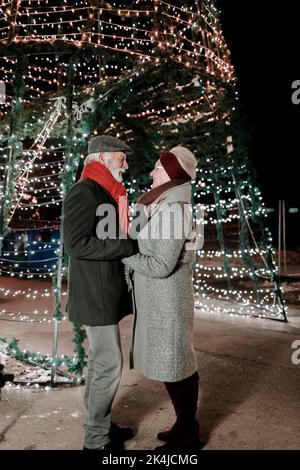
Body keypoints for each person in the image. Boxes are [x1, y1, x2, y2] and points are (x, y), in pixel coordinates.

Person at [122, 146, 200, 450]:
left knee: (178, 365)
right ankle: (184, 425)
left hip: (168, 299)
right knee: (174, 365)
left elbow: (162, 264)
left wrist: (124, 257)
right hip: (160, 298)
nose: (151, 172)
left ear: (172, 173)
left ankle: (188, 435)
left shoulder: (173, 210)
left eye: (157, 167)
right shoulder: (161, 203)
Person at [63, 135, 137, 450]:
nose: (127, 163)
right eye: (122, 157)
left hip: (104, 289)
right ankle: (95, 440)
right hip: (96, 294)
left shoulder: (106, 191)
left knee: (99, 362)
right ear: (104, 157)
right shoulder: (84, 192)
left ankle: (102, 426)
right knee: (109, 363)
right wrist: (128, 244)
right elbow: (76, 244)